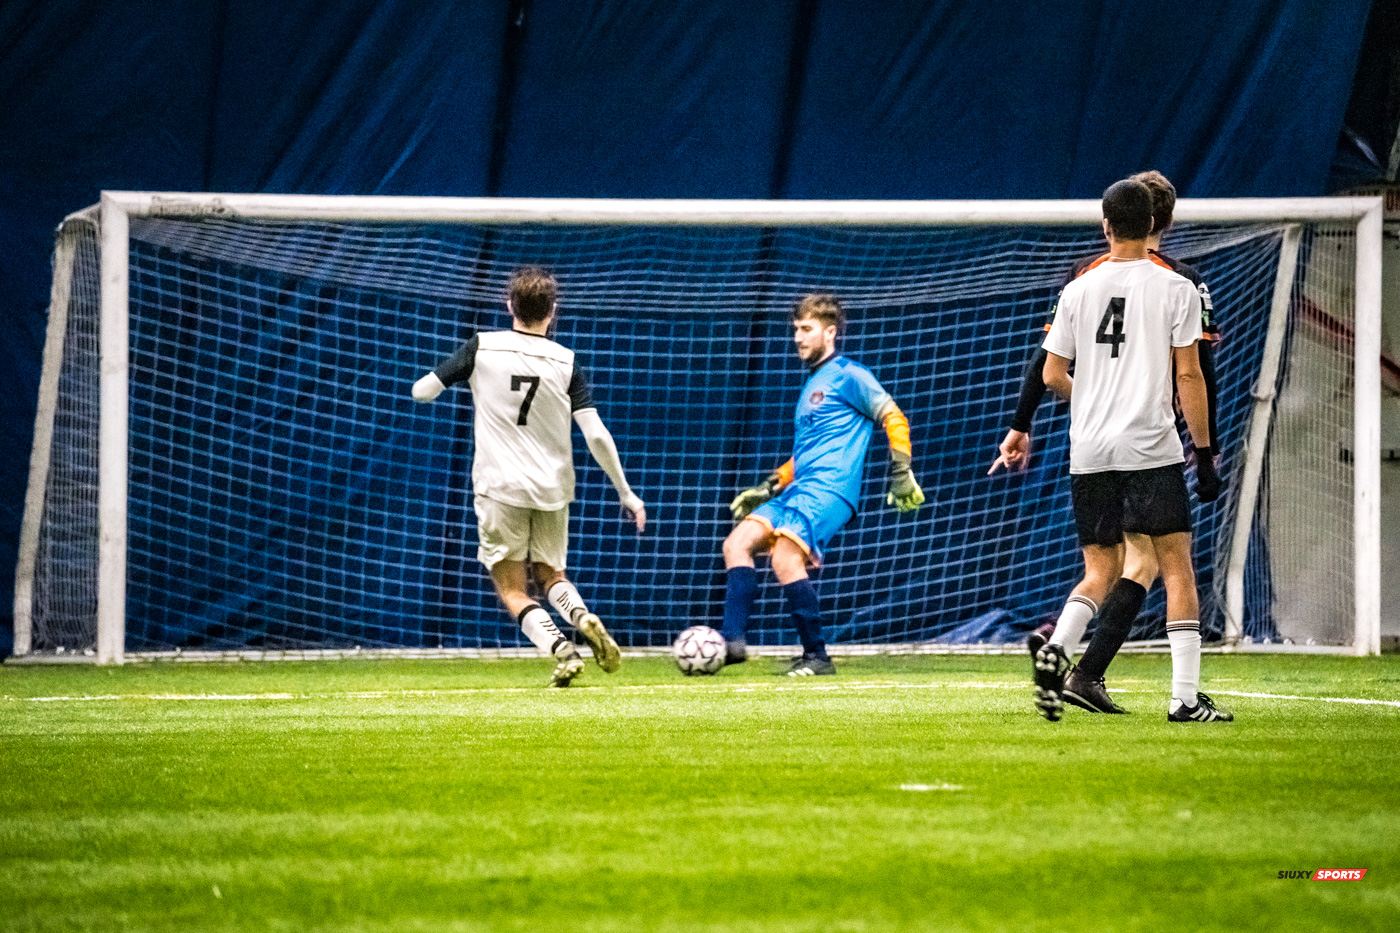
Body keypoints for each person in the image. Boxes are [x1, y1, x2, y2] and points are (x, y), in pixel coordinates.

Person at [989, 170, 1223, 714]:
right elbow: (1191, 375)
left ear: (1105, 225)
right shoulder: (1178, 287)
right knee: (1176, 566)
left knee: (1102, 567)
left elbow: (1049, 374)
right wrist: (1205, 453)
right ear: (1154, 224)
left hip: (1088, 448)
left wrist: (1089, 400)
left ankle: (1061, 652)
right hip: (1149, 445)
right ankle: (1184, 699)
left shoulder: (1077, 287)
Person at [411, 266, 646, 687]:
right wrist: (626, 493)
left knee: (513, 587)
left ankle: (562, 649)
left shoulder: (482, 347)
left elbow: (422, 391)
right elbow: (595, 433)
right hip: (553, 488)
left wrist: (454, 381)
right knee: (552, 574)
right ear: (552, 312)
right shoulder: (566, 360)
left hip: (499, 486)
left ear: (509, 306)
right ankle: (581, 615)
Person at [722, 294, 924, 676]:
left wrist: (900, 472)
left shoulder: (850, 374)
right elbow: (806, 455)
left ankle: (818, 656)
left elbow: (893, 417)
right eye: (796, 330)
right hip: (800, 488)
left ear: (830, 332)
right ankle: (731, 643)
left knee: (784, 557)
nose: (798, 337)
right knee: (736, 543)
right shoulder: (813, 384)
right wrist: (768, 487)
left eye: (807, 329)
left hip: (830, 490)